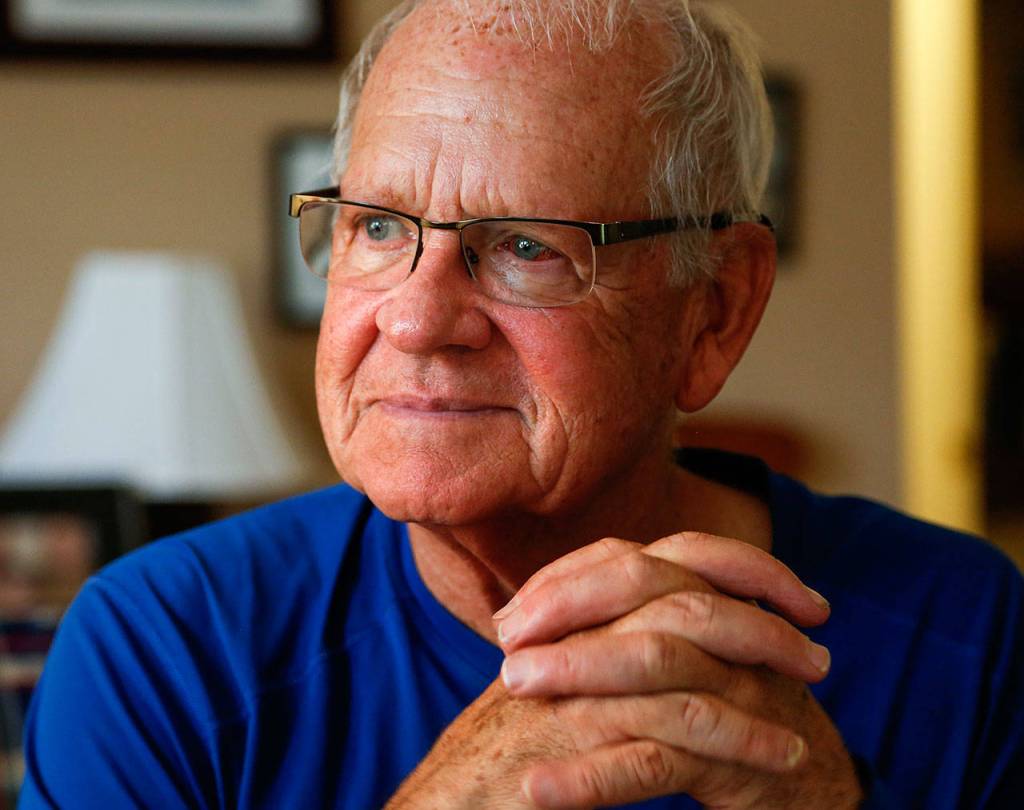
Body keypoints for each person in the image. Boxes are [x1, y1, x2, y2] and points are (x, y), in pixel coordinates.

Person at [18, 1, 1024, 807]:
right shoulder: (161, 648)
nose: (416, 320)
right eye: (377, 227)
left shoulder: (970, 636)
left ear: (713, 311)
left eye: (527, 246)